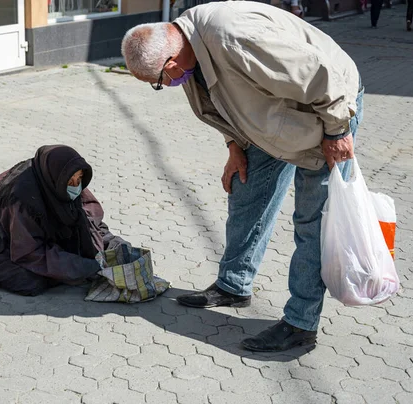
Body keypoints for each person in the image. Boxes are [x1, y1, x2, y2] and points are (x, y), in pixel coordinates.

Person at [121, 2, 363, 352]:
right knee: (246, 190)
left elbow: (319, 73)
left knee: (312, 223)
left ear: (171, 64)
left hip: (327, 110)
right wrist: (235, 146)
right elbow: (221, 101)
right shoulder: (187, 48)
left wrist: (338, 130)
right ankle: (233, 286)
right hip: (271, 119)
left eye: (158, 83)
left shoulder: (235, 38)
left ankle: (300, 324)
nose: (161, 87)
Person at [0, 145, 128, 296]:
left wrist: (110, 246)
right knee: (29, 280)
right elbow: (29, 252)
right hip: (6, 241)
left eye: (79, 179)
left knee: (96, 248)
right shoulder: (22, 200)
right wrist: (86, 267)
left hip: (35, 231)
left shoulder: (61, 177)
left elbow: (89, 220)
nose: (75, 185)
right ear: (58, 179)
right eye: (70, 181)